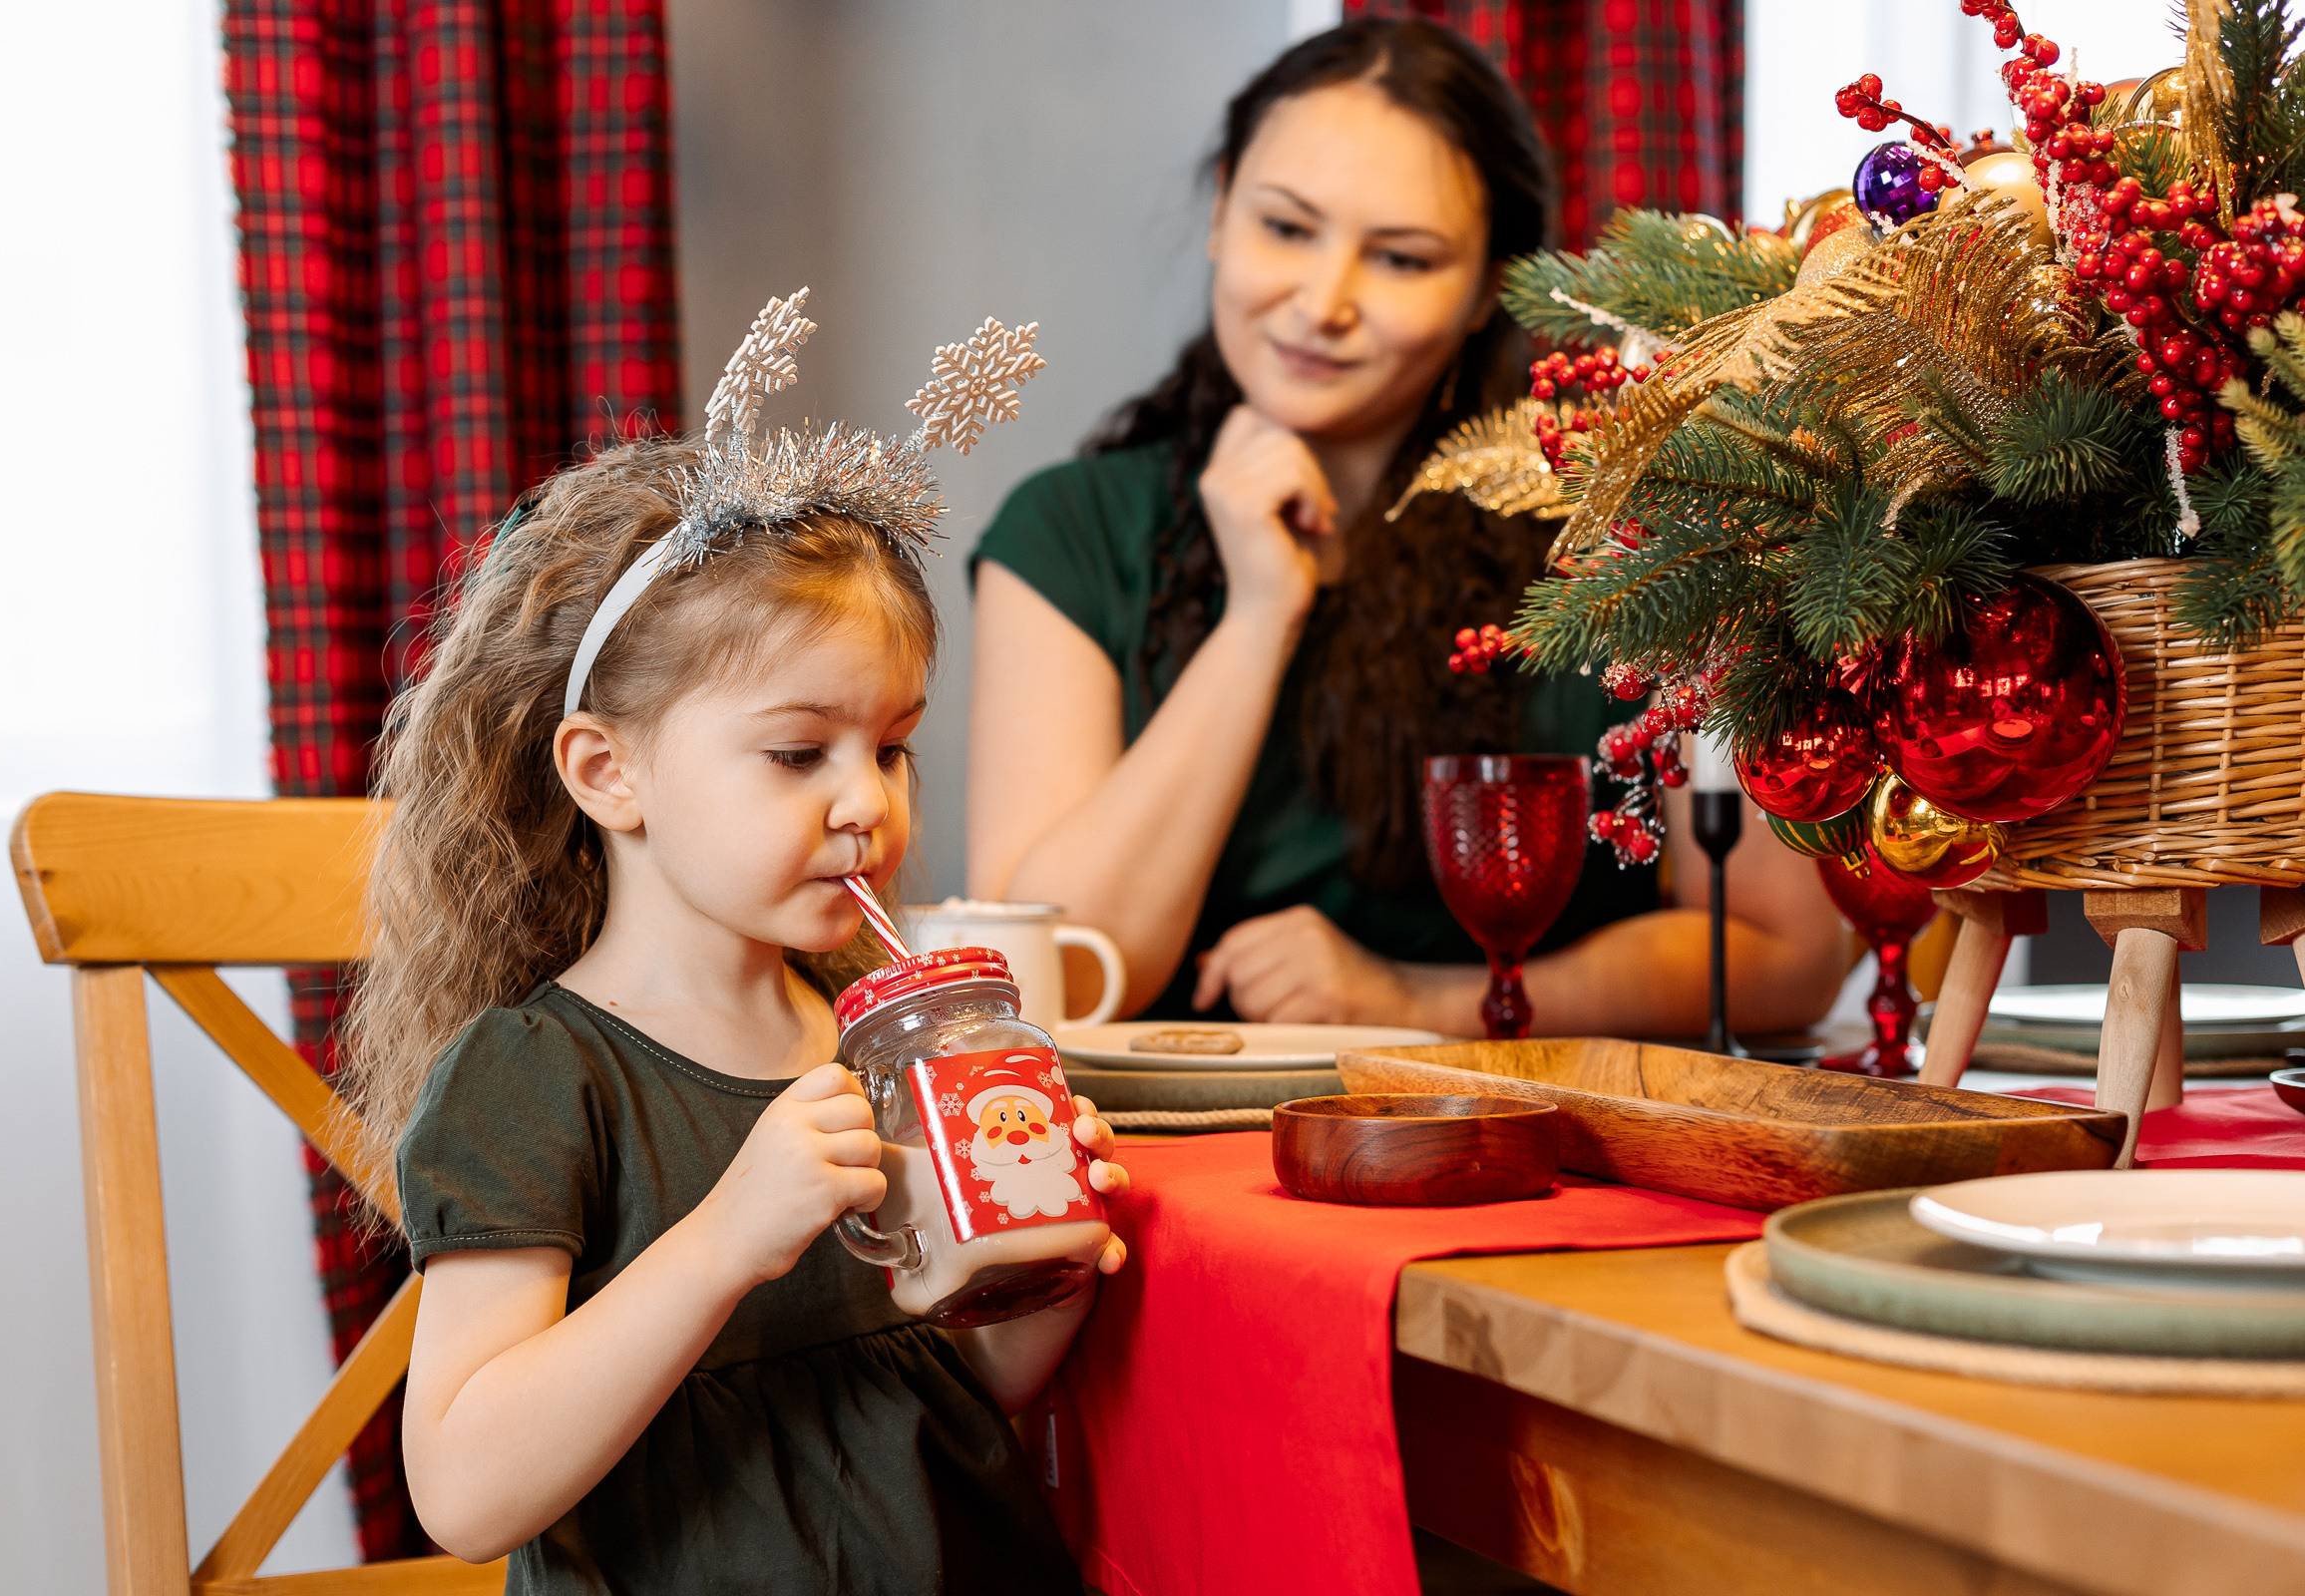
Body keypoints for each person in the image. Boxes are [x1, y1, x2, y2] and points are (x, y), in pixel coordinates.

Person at [341, 421, 1120, 1592]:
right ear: (611, 772)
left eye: (893, 748)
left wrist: (1040, 1259)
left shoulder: (874, 1037)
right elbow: (465, 1489)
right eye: (800, 752)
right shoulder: (536, 1076)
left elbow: (951, 1390)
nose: (868, 801)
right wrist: (723, 1240)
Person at [967, 18, 1847, 1038]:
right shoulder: (1067, 532)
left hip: (1540, 1155)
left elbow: (1782, 959)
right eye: (1286, 229)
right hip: (1160, 1164)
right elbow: (1050, 982)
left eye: (1400, 258)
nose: (1323, 302)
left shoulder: (1631, 528)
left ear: (1487, 292)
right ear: (1219, 213)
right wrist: (1259, 619)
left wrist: (1413, 1003)